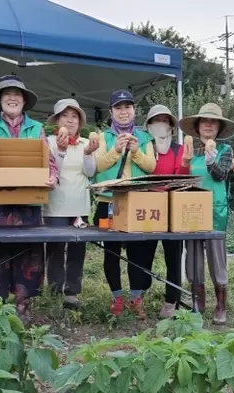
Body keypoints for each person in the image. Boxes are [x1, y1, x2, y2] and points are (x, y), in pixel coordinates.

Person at [0, 75, 59, 324]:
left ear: (24, 100)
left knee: (29, 254)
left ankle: (23, 306)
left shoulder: (36, 127)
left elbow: (48, 161)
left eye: (17, 94)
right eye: (7, 94)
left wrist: (52, 177)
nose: (12, 98)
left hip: (29, 202)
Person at [93, 90, 157, 319]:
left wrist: (136, 152)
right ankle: (117, 298)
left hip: (138, 202)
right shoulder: (102, 138)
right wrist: (116, 150)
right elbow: (97, 166)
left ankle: (137, 298)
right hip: (107, 202)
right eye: (118, 107)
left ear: (134, 110)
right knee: (111, 252)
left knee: (137, 252)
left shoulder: (146, 138)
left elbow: (152, 167)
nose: (123, 111)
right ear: (111, 112)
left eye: (127, 107)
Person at [129, 105, 191, 319]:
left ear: (172, 126)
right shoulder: (144, 147)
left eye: (165, 120)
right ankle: (140, 292)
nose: (161, 124)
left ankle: (170, 300)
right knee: (142, 254)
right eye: (156, 120)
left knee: (173, 256)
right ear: (148, 125)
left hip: (171, 206)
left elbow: (180, 177)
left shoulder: (178, 149)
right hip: (146, 205)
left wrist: (184, 164)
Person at [179, 103, 234, 325]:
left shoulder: (226, 151)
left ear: (218, 128)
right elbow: (182, 180)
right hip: (191, 210)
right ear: (197, 126)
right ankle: (198, 302)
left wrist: (211, 158)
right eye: (204, 121)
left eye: (213, 122)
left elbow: (221, 175)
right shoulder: (190, 152)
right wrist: (184, 164)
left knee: (217, 259)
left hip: (216, 210)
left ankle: (221, 305)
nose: (208, 125)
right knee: (193, 257)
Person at [44, 98, 99, 308]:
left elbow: (91, 172)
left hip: (79, 206)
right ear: (57, 120)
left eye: (74, 116)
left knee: (77, 250)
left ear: (80, 122)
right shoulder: (48, 141)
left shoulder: (86, 143)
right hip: (54, 206)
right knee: (55, 250)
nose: (69, 120)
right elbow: (51, 170)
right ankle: (55, 290)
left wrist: (88, 154)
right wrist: (60, 148)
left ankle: (72, 293)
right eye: (65, 116)